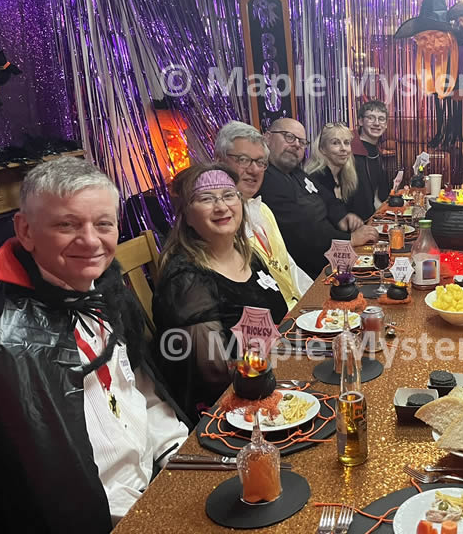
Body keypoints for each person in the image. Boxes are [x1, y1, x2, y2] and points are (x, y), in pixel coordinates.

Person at [0, 157, 188, 532]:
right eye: (67, 224)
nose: (90, 240)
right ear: (26, 229)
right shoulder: (5, 337)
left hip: (157, 478)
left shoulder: (107, 285)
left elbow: (140, 389)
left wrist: (178, 454)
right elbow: (40, 486)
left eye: (103, 224)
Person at [152, 164, 289, 422]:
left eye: (229, 195)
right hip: (230, 410)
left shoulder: (247, 254)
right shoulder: (186, 280)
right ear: (186, 215)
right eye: (206, 199)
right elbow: (214, 375)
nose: (221, 206)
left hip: (272, 377)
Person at [258, 117, 378, 278]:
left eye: (301, 142)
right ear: (267, 137)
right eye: (289, 137)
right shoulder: (267, 179)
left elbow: (326, 198)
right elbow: (304, 230)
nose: (296, 145)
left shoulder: (296, 173)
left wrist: (342, 216)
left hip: (327, 258)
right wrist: (349, 239)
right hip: (308, 273)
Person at [214, 120, 312, 306]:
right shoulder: (216, 223)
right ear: (219, 160)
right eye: (243, 160)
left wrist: (317, 303)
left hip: (296, 312)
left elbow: (289, 269)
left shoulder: (262, 209)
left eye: (260, 162)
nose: (254, 170)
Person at [306, 122, 366, 218]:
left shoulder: (347, 176)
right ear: (322, 149)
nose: (343, 149)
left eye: (346, 143)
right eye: (335, 143)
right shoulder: (315, 179)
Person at [350, 100, 391, 218]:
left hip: (373, 218)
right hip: (355, 222)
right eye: (371, 118)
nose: (377, 123)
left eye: (381, 119)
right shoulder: (351, 150)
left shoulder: (376, 151)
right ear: (361, 121)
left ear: (386, 124)